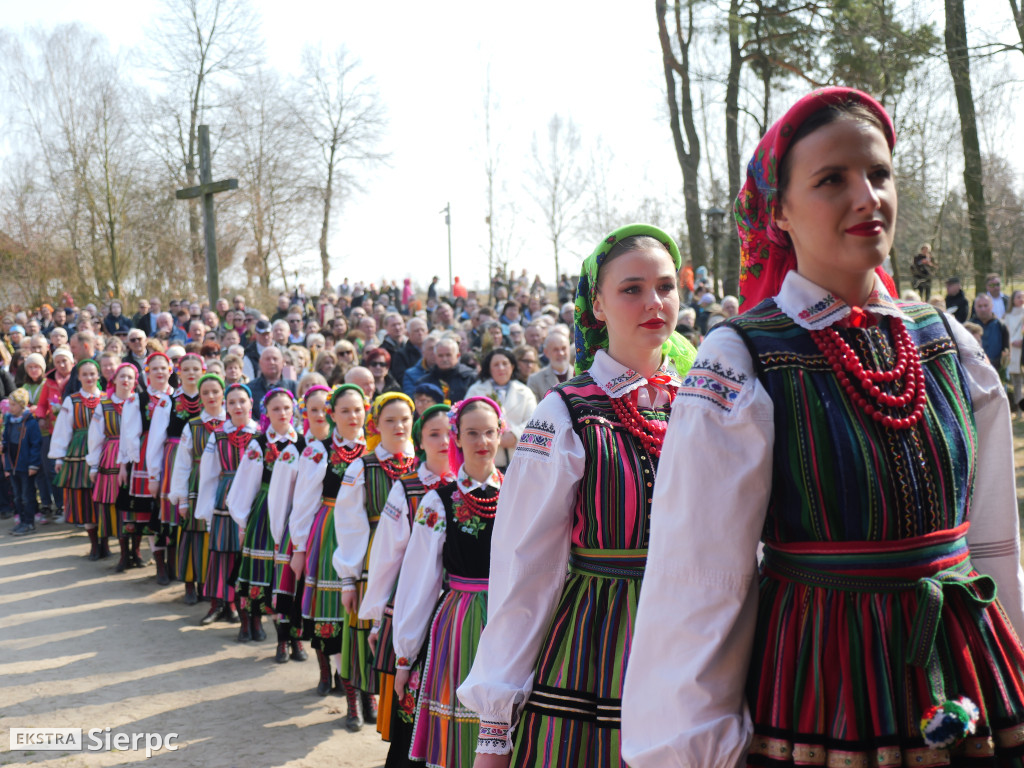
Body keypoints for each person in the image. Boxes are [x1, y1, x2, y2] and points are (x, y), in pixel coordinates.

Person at [622, 88, 1024, 767]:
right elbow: (700, 582)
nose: (867, 197)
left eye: (879, 174)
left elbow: (994, 543)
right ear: (777, 210)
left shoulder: (949, 341)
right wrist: (687, 750)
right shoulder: (743, 357)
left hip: (969, 674)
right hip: (822, 685)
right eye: (832, 180)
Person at [457, 224, 695, 768]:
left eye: (664, 287)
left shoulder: (700, 405)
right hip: (603, 644)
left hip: (693, 636)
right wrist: (495, 721)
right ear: (599, 307)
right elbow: (526, 563)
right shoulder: (565, 412)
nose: (653, 302)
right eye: (631, 289)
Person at [392, 397, 506, 767]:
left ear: (501, 434)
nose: (482, 442)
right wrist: (405, 654)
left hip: (510, 617)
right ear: (456, 438)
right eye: (472, 433)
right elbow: (418, 582)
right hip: (461, 621)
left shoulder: (520, 493)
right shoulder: (438, 502)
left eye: (489, 432)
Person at [360, 403, 455, 761]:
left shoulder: (482, 486)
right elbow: (386, 557)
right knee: (414, 694)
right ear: (420, 441)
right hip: (418, 604)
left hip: (466, 605)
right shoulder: (408, 489)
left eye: (450, 432)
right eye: (433, 434)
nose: (444, 440)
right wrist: (374, 616)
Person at [292, 384, 367, 701]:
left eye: (358, 409)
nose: (352, 416)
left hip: (363, 531)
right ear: (331, 414)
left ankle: (360, 686)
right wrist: (299, 548)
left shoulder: (375, 449)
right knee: (327, 606)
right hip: (328, 530)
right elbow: (304, 502)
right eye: (345, 410)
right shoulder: (317, 450)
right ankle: (328, 671)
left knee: (360, 607)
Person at [227, 389, 299, 643]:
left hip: (292, 510)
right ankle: (251, 621)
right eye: (276, 409)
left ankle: (286, 631)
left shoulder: (301, 442)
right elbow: (246, 483)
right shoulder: (259, 443)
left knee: (283, 569)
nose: (282, 413)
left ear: (293, 410)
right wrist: (243, 520)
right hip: (264, 511)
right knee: (257, 567)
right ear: (266, 413)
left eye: (286, 408)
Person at [195, 382, 256, 627]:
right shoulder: (218, 435)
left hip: (252, 497)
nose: (237, 406)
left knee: (247, 553)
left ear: (251, 403)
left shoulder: (260, 433)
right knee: (221, 551)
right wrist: (207, 511)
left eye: (242, 401)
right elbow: (209, 473)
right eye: (232, 402)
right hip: (226, 496)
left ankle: (246, 607)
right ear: (226, 406)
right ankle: (219, 603)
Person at [147, 353, 205, 594]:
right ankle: (170, 568)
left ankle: (199, 576)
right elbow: (155, 440)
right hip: (174, 460)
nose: (191, 373)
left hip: (203, 461)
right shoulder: (168, 401)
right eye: (186, 369)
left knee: (198, 519)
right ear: (178, 372)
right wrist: (154, 475)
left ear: (203, 371)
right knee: (172, 519)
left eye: (196, 369)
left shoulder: (210, 398)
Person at [167, 371, 226, 607]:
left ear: (223, 394)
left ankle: (213, 587)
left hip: (224, 485)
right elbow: (181, 463)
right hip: (197, 484)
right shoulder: (192, 426)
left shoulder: (232, 424)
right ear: (199, 397)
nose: (211, 396)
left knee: (219, 536)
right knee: (193, 534)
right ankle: (191, 584)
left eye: (215, 391)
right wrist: (181, 499)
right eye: (205, 393)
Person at [86, 363, 142, 572]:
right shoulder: (104, 404)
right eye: (122, 376)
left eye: (130, 377)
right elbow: (95, 435)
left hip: (136, 455)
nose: (126, 381)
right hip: (111, 454)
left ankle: (135, 551)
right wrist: (93, 465)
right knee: (117, 506)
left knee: (136, 505)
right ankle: (122, 553)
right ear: (114, 380)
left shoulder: (140, 402)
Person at [50, 359, 104, 558]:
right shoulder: (71, 400)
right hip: (79, 450)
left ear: (98, 375)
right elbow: (63, 430)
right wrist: (58, 458)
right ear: (79, 377)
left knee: (103, 498)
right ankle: (94, 545)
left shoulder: (106, 398)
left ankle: (105, 542)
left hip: (104, 450)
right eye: (85, 374)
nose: (89, 378)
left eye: (92, 374)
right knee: (86, 498)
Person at [130, 352, 174, 583]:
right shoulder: (139, 399)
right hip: (147, 456)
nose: (159, 372)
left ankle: (173, 562)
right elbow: (131, 433)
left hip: (174, 456)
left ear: (170, 370)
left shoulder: (177, 396)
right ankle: (159, 565)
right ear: (147, 372)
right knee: (150, 511)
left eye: (163, 367)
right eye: (154, 368)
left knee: (170, 510)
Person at [465, 349, 537, 472]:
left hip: (519, 460)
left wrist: (515, 435)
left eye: (505, 363)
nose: (501, 368)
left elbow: (534, 420)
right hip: (486, 460)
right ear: (489, 368)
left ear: (512, 366)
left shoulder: (525, 392)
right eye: (496, 365)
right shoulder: (476, 391)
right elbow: (467, 419)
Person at [4, 388, 42, 535]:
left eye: (13, 404)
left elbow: (35, 444)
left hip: (26, 466)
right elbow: (7, 441)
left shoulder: (30, 423)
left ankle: (29, 523)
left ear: (22, 405)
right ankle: (21, 521)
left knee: (28, 495)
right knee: (17, 496)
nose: (10, 408)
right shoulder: (9, 421)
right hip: (13, 465)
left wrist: (34, 464)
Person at [421, 338, 476, 403]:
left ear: (458, 356)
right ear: (435, 357)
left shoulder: (470, 377)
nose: (444, 359)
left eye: (448, 355)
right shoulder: (426, 381)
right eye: (440, 356)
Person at [524, 329, 572, 403]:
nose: (561, 353)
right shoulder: (535, 380)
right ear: (546, 352)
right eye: (555, 350)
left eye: (564, 348)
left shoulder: (582, 375)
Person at [972, 293, 1009, 374]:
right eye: (980, 306)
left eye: (986, 305)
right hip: (975, 371)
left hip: (996, 370)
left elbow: (1006, 349)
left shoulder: (1001, 325)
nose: (983, 309)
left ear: (992, 306)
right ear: (975, 308)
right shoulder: (968, 327)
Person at [1007, 290, 1024, 416]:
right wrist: (1011, 342)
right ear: (1013, 299)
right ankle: (1017, 408)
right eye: (1018, 297)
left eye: (1023, 297)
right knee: (1015, 382)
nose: (1021, 299)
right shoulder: (1007, 316)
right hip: (1013, 352)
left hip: (1022, 350)